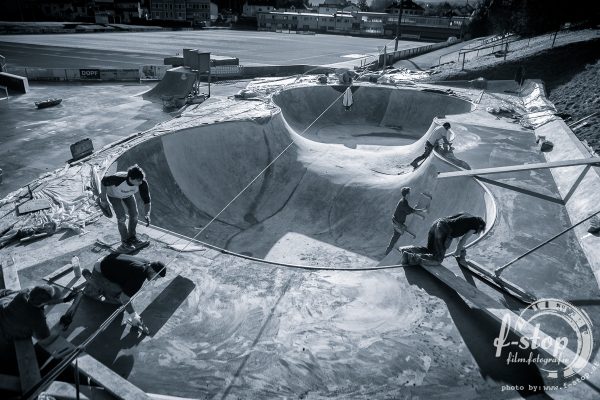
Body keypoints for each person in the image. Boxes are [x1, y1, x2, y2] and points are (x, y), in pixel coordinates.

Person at [83, 253, 166, 332]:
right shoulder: (139, 275)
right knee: (118, 299)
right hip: (100, 270)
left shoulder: (147, 263)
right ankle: (91, 284)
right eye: (156, 276)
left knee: (124, 292)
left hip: (106, 260)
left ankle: (96, 280)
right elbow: (124, 298)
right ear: (152, 270)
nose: (155, 279)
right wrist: (134, 315)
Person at [100, 165, 151, 252]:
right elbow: (104, 181)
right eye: (138, 180)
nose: (140, 182)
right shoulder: (118, 178)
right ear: (130, 178)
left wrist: (147, 214)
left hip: (128, 195)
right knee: (121, 218)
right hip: (113, 195)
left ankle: (132, 237)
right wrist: (103, 199)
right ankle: (125, 241)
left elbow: (147, 201)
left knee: (134, 215)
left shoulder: (142, 183)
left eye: (141, 180)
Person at [0, 284, 71, 345]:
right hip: (7, 332)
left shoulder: (25, 293)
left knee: (7, 294)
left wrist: (64, 300)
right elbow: (44, 341)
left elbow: (44, 301)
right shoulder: (38, 317)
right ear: (45, 302)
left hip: (4, 309)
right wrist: (61, 326)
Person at [384, 187, 427, 255]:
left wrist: (414, 209)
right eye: (409, 193)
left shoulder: (404, 201)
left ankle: (388, 250)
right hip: (397, 223)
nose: (410, 194)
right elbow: (410, 210)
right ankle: (388, 251)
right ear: (407, 194)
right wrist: (422, 210)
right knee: (396, 237)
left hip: (397, 221)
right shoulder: (403, 202)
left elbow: (408, 210)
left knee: (396, 236)